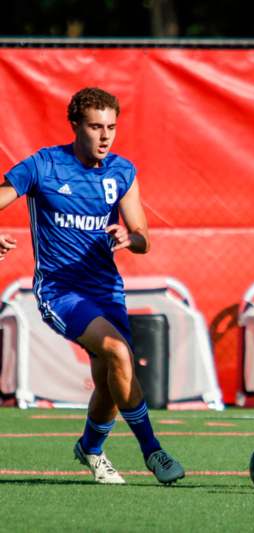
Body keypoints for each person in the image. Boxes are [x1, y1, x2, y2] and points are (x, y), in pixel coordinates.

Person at [0, 87, 184, 485]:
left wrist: (128, 238)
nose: (105, 136)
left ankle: (91, 449)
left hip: (106, 290)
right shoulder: (44, 165)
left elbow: (143, 236)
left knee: (109, 378)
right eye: (96, 127)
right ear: (75, 126)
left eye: (112, 127)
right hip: (59, 290)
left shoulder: (122, 172)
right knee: (118, 354)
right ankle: (153, 451)